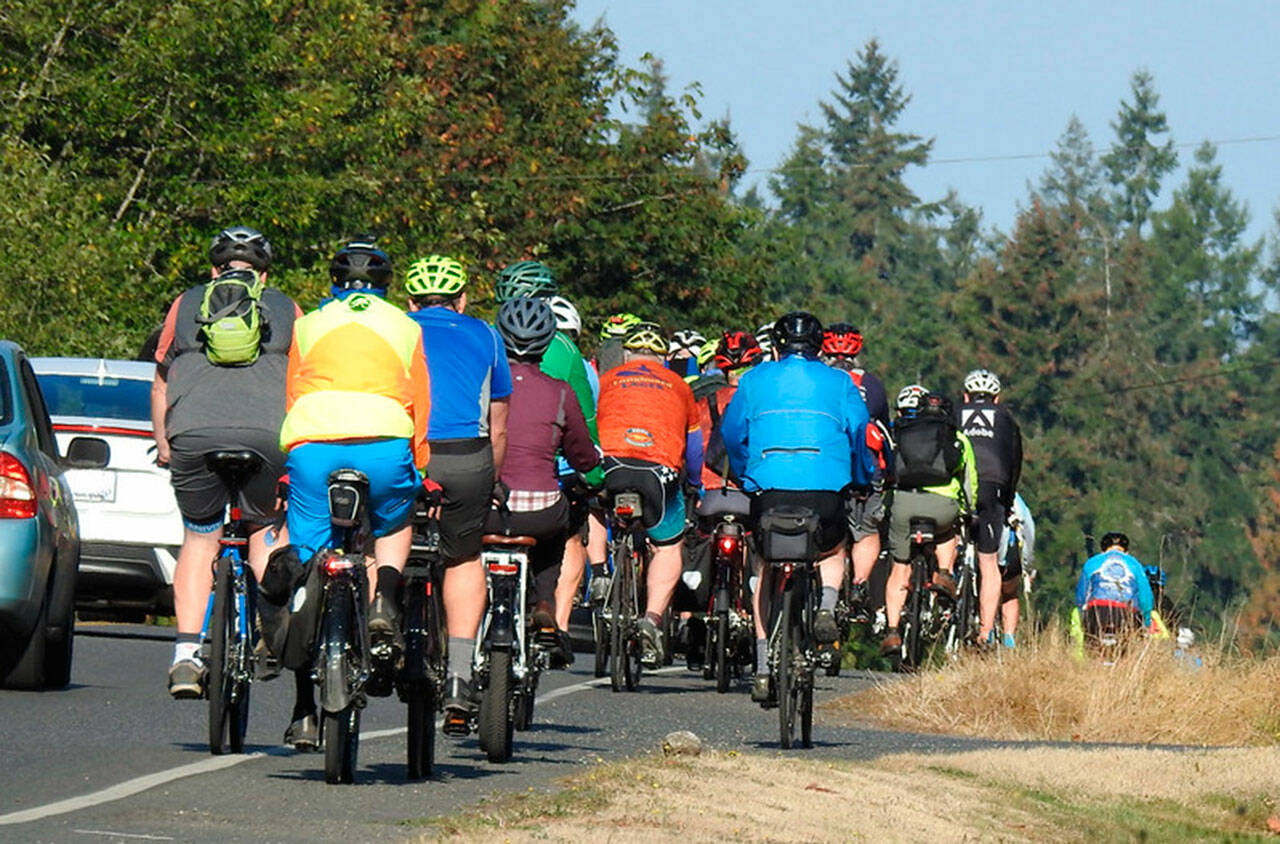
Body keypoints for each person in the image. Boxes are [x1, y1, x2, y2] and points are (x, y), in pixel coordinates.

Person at [150, 226, 303, 716]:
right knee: (264, 526)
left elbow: (161, 381)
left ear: (214, 270)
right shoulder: (287, 308)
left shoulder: (185, 303)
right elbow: (302, 381)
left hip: (194, 433)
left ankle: (186, 655)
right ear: (265, 274)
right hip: (266, 436)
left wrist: (165, 445)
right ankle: (267, 632)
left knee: (200, 538)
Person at [277, 240, 432, 719]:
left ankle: (304, 706)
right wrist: (419, 466)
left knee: (309, 559)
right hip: (385, 440)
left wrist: (296, 456)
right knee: (395, 518)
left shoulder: (307, 326)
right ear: (387, 286)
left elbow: (292, 395)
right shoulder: (407, 328)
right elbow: (419, 401)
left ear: (333, 283)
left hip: (313, 442)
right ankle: (384, 596)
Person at [719, 312, 875, 704]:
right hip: (825, 490)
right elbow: (860, 432)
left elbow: (732, 432)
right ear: (820, 348)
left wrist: (744, 473)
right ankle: (825, 603)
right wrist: (859, 476)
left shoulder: (754, 379)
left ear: (775, 346)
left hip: (768, 490)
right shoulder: (841, 382)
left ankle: (761, 665)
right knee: (833, 547)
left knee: (765, 566)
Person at [403, 254, 512, 712]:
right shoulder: (487, 335)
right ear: (462, 300)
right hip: (467, 458)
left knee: (384, 542)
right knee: (464, 556)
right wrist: (493, 480)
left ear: (409, 301)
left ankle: (380, 623)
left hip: (409, 456)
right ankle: (459, 676)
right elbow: (499, 424)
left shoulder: (397, 329)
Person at [487, 297, 601, 667]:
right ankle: (544, 602)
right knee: (557, 532)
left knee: (459, 552)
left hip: (488, 508)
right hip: (540, 509)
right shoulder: (559, 391)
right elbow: (583, 453)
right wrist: (594, 478)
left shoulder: (484, 386)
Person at [595, 322, 703, 666]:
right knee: (669, 545)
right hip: (658, 471)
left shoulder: (607, 380)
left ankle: (599, 574)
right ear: (665, 358)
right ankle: (652, 618)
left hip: (611, 464)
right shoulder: (680, 386)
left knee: (593, 508)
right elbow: (696, 448)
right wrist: (696, 484)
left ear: (626, 354)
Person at [881, 388, 977, 655]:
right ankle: (944, 573)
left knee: (899, 568)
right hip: (942, 507)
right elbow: (970, 482)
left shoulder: (903, 431)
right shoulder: (957, 437)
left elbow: (889, 469)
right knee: (948, 532)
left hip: (904, 504)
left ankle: (892, 630)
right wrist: (969, 510)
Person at [821, 322, 893, 622]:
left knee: (826, 533)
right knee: (866, 532)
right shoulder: (872, 385)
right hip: (866, 471)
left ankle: (823, 592)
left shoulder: (818, 380)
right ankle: (861, 584)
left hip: (824, 469)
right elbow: (885, 433)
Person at [957, 368, 1023, 646]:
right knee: (988, 561)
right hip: (993, 487)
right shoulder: (1006, 419)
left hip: (959, 486)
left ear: (966, 396)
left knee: (948, 545)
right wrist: (1006, 502)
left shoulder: (955, 412)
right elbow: (1015, 462)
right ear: (997, 399)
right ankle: (985, 632)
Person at [1074, 531, 1154, 643]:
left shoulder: (1092, 562)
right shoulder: (1135, 564)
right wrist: (1146, 621)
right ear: (1126, 550)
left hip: (1097, 611)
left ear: (1103, 549)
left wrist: (1082, 615)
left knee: (1092, 647)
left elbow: (1081, 596)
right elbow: (1145, 597)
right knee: (1128, 651)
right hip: (1126, 612)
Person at [996, 492, 1035, 648]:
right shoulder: (1015, 499)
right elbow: (1029, 533)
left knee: (984, 589)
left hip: (985, 549)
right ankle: (1009, 640)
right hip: (1010, 553)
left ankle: (985, 632)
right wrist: (1028, 569)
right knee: (1009, 594)